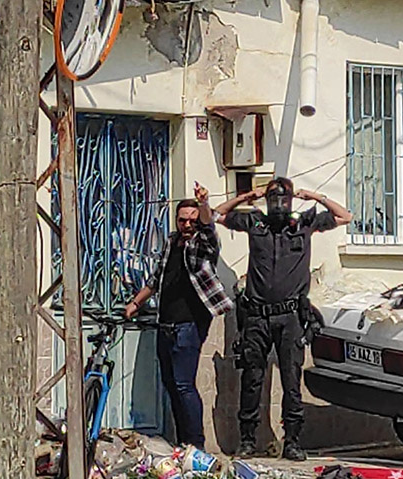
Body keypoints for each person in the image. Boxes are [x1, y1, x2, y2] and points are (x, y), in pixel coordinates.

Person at [214, 177, 353, 461]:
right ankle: (248, 440)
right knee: (252, 379)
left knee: (291, 379)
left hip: (290, 317)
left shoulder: (304, 224)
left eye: (283, 199)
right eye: (272, 199)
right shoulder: (255, 223)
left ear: (291, 201)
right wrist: (245, 197)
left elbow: (345, 216)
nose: (278, 205)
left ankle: (292, 441)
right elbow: (218, 215)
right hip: (257, 317)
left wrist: (315, 196)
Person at [125, 184, 233, 449]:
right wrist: (135, 303)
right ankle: (181, 442)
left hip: (190, 324)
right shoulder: (172, 241)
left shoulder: (202, 243)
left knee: (185, 384)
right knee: (171, 385)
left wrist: (205, 204)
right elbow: (156, 278)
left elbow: (209, 229)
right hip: (166, 322)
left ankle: (196, 444)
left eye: (191, 220)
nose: (187, 225)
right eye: (183, 219)